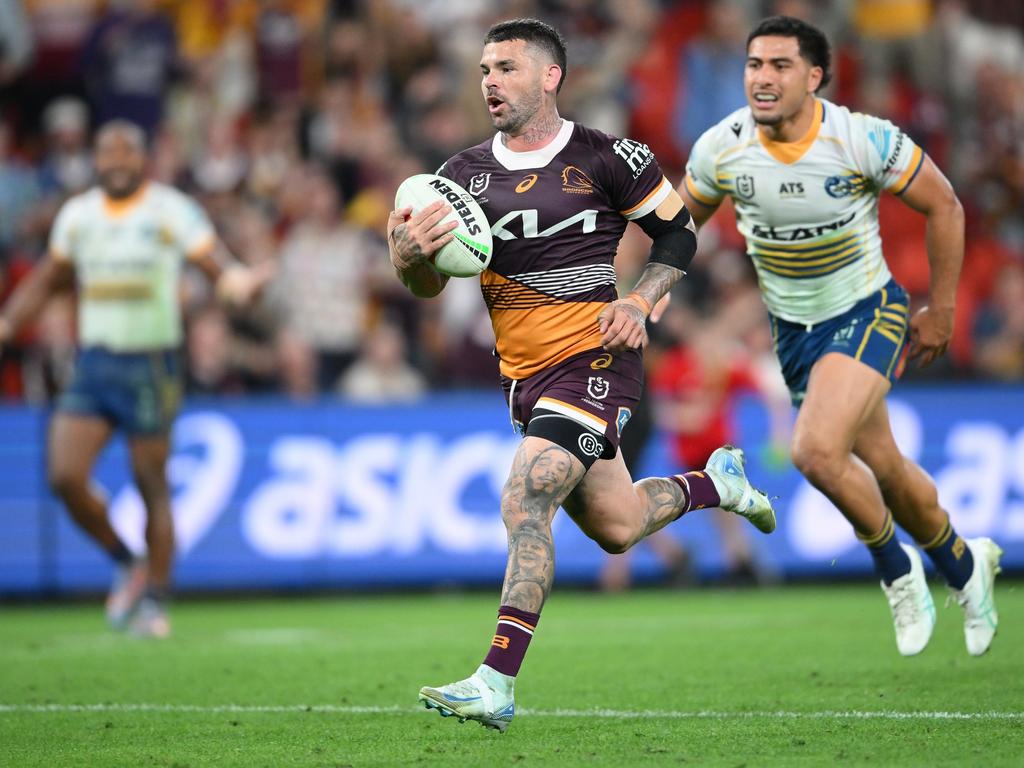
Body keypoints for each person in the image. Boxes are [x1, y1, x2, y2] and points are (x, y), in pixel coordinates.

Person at [386, 18, 776, 733]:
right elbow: (424, 290)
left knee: (525, 495)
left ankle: (496, 680)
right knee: (620, 526)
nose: (490, 83)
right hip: (526, 377)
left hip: (598, 357)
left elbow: (678, 231)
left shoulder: (608, 155)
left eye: (505, 68)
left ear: (549, 76)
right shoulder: (459, 176)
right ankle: (719, 484)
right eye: (483, 70)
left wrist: (641, 297)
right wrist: (408, 254)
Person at [676, 15, 1001, 657]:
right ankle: (967, 567)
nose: (762, 79)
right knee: (884, 467)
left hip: (868, 309)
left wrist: (942, 309)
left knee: (816, 452)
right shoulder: (723, 146)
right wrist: (644, 292)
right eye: (753, 65)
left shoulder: (862, 139)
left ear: (815, 77)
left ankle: (896, 570)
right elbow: (677, 224)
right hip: (794, 334)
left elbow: (946, 206)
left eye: (780, 66)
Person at [0, 120, 263, 638]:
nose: (116, 160)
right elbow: (48, 281)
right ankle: (127, 561)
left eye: (126, 151)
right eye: (107, 152)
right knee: (64, 477)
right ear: (95, 160)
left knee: (151, 488)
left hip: (152, 363)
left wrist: (237, 283)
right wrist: (8, 322)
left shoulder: (169, 209)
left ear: (142, 158)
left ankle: (155, 600)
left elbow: (216, 267)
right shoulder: (78, 216)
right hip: (95, 362)